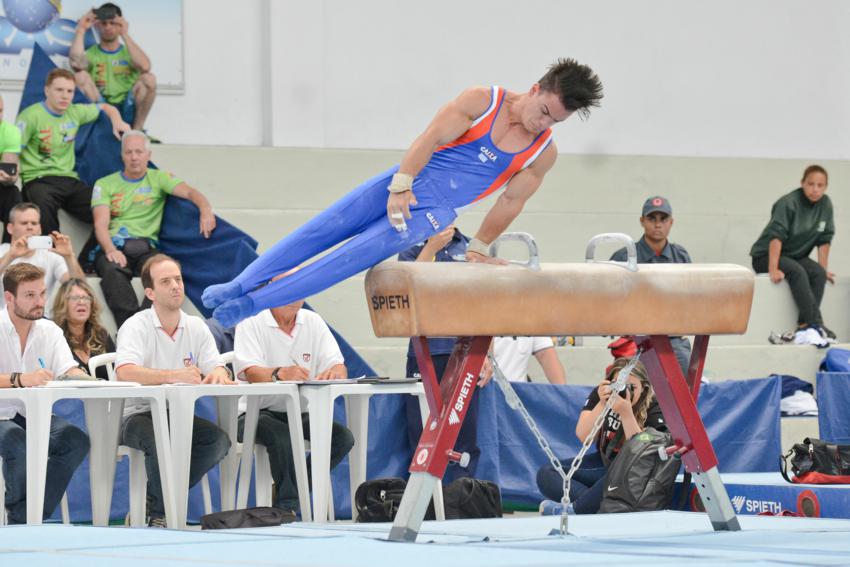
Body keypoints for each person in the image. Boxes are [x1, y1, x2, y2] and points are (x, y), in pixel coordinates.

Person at [203, 58, 604, 327]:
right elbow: (429, 138)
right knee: (318, 232)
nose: (543, 123)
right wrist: (402, 184)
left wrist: (480, 246)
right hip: (404, 180)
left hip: (431, 213)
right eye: (545, 111)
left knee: (344, 260)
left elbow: (511, 200)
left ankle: (250, 305)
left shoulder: (542, 153)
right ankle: (239, 283)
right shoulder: (482, 101)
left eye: (556, 121)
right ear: (535, 89)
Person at [115, 254, 233, 527]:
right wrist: (174, 375)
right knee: (160, 439)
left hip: (175, 414)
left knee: (218, 442)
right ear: (150, 292)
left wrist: (218, 371)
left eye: (178, 279)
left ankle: (155, 501)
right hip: (135, 415)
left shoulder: (195, 326)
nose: (175, 286)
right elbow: (125, 371)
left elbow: (217, 366)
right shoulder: (136, 325)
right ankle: (160, 514)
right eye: (165, 281)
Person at [233, 291, 355, 521]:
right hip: (254, 413)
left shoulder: (313, 321)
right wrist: (280, 373)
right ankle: (286, 507)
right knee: (282, 435)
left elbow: (339, 365)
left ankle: (290, 493)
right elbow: (251, 372)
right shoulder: (251, 323)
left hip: (299, 412)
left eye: (300, 288)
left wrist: (334, 372)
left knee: (342, 438)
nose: (292, 295)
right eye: (288, 288)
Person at [92, 130, 216, 327]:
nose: (134, 157)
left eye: (139, 152)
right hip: (115, 246)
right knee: (112, 272)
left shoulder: (159, 178)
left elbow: (191, 192)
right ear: (122, 155)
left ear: (148, 155)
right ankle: (129, 328)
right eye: (129, 152)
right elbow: (100, 224)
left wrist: (205, 208)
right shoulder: (104, 184)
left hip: (146, 249)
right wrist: (110, 250)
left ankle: (145, 326)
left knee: (164, 273)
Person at [0, 263, 91, 524]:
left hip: (33, 414)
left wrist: (85, 377)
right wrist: (20, 379)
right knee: (18, 440)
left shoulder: (50, 330)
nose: (39, 302)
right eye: (30, 295)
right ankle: (22, 521)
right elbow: (23, 380)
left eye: (42, 293)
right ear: (9, 298)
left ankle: (28, 517)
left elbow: (67, 369)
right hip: (2, 415)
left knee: (76, 442)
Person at [398, 225, 481, 481]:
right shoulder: (410, 249)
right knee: (423, 428)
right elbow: (409, 287)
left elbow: (484, 303)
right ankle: (427, 500)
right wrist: (431, 247)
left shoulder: (470, 249)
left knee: (464, 430)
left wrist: (487, 356)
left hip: (465, 353)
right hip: (426, 353)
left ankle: (461, 496)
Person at [536, 358, 666, 514]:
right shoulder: (602, 393)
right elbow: (584, 436)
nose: (625, 392)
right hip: (604, 462)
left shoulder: (654, 405)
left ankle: (578, 509)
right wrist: (602, 403)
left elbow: (642, 453)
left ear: (644, 388)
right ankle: (597, 505)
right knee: (547, 473)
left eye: (632, 387)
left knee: (617, 478)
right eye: (619, 385)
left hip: (632, 471)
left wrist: (626, 413)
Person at [16, 68, 130, 236]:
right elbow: (13, 150)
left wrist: (118, 121)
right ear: (47, 90)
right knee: (42, 205)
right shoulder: (30, 115)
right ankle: (53, 255)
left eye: (70, 91)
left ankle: (91, 255)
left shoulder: (75, 112)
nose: (65, 96)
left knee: (106, 205)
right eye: (59, 90)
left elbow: (106, 107)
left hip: (69, 180)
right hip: (38, 179)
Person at [750, 165, 836, 343]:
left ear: (826, 186)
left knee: (818, 273)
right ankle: (816, 324)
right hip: (765, 256)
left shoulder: (825, 204)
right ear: (802, 183)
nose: (815, 189)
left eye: (820, 185)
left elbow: (824, 241)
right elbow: (776, 237)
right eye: (811, 184)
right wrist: (772, 268)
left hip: (795, 256)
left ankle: (804, 325)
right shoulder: (788, 202)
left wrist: (823, 268)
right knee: (797, 272)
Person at [610, 196, 692, 375]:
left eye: (663, 219)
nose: (658, 224)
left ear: (671, 222)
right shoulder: (624, 257)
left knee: (686, 372)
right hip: (634, 337)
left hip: (673, 338)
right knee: (630, 382)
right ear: (642, 221)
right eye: (652, 219)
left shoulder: (681, 257)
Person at [69, 3, 156, 132]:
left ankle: (137, 131)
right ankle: (92, 130)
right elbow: (76, 64)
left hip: (128, 108)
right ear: (97, 25)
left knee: (149, 79)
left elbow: (145, 66)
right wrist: (81, 30)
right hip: (102, 108)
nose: (108, 27)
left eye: (113, 23)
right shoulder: (92, 53)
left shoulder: (129, 52)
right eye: (104, 23)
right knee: (80, 76)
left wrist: (125, 34)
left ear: (120, 25)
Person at [0, 203, 85, 318]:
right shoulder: (3, 251)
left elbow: (79, 288)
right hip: (5, 320)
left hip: (41, 320)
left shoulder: (50, 254)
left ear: (39, 228)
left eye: (34, 223)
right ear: (10, 228)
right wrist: (11, 255)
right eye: (24, 223)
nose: (30, 227)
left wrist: (69, 256)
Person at [52, 278, 115, 380]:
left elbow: (116, 371)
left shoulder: (101, 335)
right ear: (63, 303)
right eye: (75, 298)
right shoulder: (55, 336)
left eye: (86, 298)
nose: (81, 302)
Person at [493, 336, 566, 384]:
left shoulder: (532, 316)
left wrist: (565, 397)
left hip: (517, 396)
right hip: (485, 392)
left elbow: (546, 355)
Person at [0, 94, 22, 241]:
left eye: (0, 111)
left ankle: (8, 253)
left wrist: (10, 177)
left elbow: (9, 166)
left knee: (13, 194)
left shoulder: (10, 131)